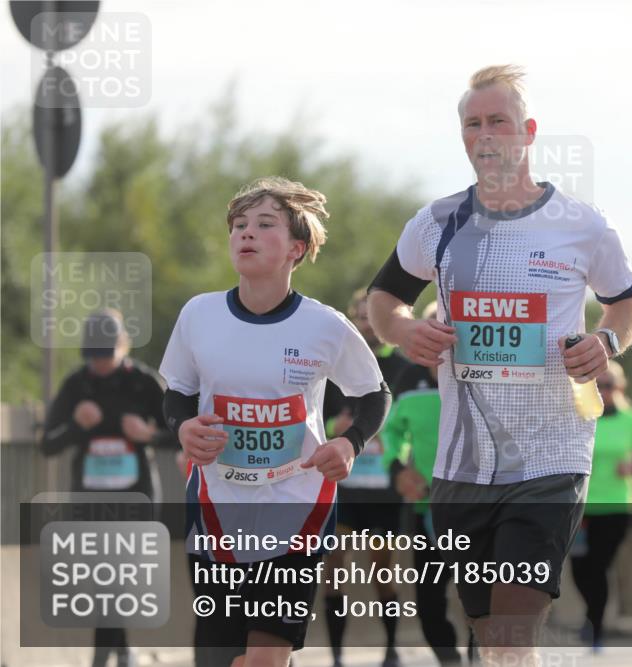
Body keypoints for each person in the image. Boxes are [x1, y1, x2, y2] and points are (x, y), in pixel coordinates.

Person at [366, 65, 632, 665]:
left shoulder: (582, 225)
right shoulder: (436, 223)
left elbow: (626, 302)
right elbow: (383, 299)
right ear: (462, 137)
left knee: (514, 628)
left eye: (499, 121)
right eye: (474, 124)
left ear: (528, 132)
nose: (486, 134)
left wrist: (606, 342)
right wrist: (405, 330)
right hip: (461, 465)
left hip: (551, 458)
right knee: (491, 637)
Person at [159, 177, 391, 667]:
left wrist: (349, 442)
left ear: (296, 249)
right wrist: (182, 427)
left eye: (265, 224)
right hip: (217, 509)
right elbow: (178, 391)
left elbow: (374, 393)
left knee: (265, 658)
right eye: (239, 225)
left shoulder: (324, 325)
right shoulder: (199, 314)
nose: (246, 232)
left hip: (296, 508)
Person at [42, 308, 179, 667]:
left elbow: (181, 435)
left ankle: (104, 657)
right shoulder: (76, 385)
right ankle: (120, 652)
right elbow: (47, 444)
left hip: (138, 494)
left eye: (106, 354)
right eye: (93, 356)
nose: (100, 363)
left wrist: (149, 435)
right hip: (90, 496)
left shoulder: (144, 382)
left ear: (123, 345)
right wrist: (76, 426)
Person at [321, 289, 409, 667]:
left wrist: (386, 437)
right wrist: (334, 427)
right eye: (360, 318)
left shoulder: (403, 367)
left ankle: (391, 649)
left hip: (383, 487)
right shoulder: (334, 366)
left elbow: (409, 423)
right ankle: (337, 656)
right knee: (333, 570)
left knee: (382, 571)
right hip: (342, 486)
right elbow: (315, 417)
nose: (366, 325)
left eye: (372, 319)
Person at [380, 303, 467, 666]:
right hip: (426, 505)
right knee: (429, 600)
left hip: (479, 503)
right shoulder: (408, 381)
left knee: (482, 594)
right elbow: (390, 432)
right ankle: (450, 661)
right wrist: (398, 468)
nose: (439, 338)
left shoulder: (484, 375)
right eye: (432, 329)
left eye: (447, 329)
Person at [569, 361, 632, 651]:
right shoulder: (580, 414)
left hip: (616, 505)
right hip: (582, 506)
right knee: (579, 570)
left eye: (608, 385)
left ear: (620, 388)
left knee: (599, 567)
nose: (603, 391)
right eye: (598, 385)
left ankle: (595, 629)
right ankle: (592, 617)